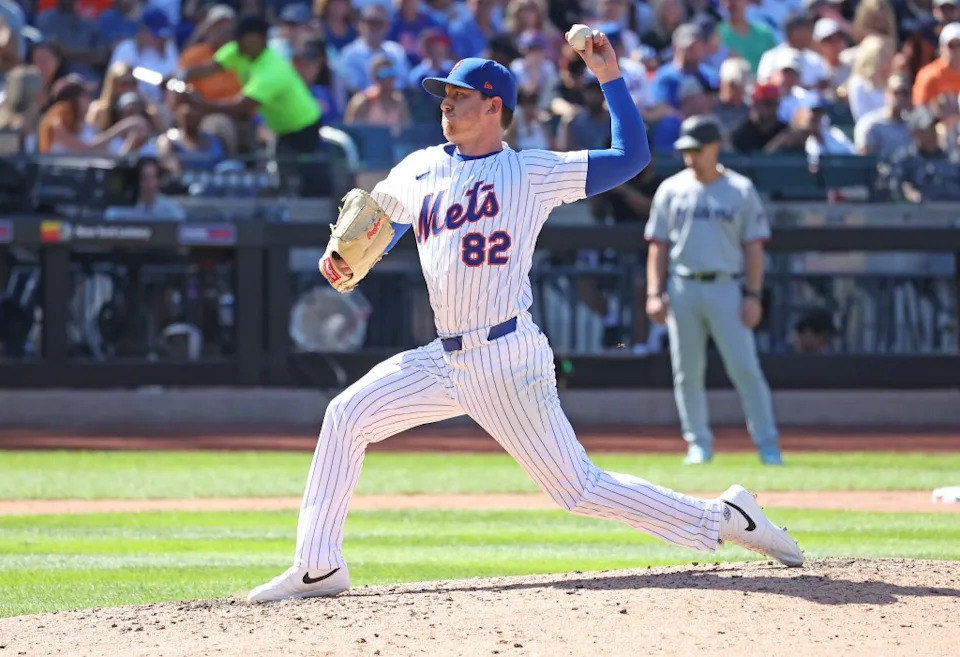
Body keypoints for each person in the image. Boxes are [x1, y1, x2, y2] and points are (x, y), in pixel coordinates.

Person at [245, 32, 803, 603]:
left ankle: (722, 517)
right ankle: (318, 567)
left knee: (579, 490)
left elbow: (632, 158)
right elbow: (381, 224)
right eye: (444, 95)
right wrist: (344, 255)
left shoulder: (532, 173)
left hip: (507, 358)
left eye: (461, 96)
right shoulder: (418, 169)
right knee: (345, 416)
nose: (446, 103)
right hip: (444, 358)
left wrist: (609, 78)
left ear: (494, 108)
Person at [644, 115, 784, 466]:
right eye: (686, 150)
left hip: (726, 286)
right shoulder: (672, 189)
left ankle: (767, 444)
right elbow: (657, 245)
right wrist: (654, 292)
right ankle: (698, 443)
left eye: (696, 149)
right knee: (687, 371)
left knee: (745, 368)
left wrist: (753, 295)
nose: (690, 156)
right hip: (683, 286)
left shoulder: (739, 189)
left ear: (715, 147)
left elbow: (754, 247)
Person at [177, 14, 323, 194]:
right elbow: (210, 68)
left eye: (241, 38)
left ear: (258, 40)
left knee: (295, 176)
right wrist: (179, 76)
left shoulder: (272, 69)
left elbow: (241, 106)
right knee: (280, 169)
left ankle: (295, 210)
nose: (236, 42)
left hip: (302, 126)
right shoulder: (239, 51)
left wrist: (201, 105)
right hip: (280, 128)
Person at [104, 156, 186, 221]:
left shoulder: (171, 211)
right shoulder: (120, 210)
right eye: (144, 178)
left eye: (152, 178)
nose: (148, 184)